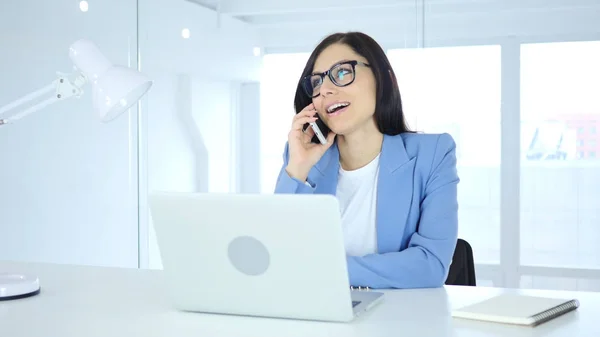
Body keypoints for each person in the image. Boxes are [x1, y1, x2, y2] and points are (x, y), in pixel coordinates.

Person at [273, 31, 459, 289]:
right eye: (316, 83)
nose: (324, 90)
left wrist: (327, 270)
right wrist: (297, 168)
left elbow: (430, 265)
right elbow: (277, 257)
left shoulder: (432, 154)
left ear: (383, 78)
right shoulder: (303, 159)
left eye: (341, 73)